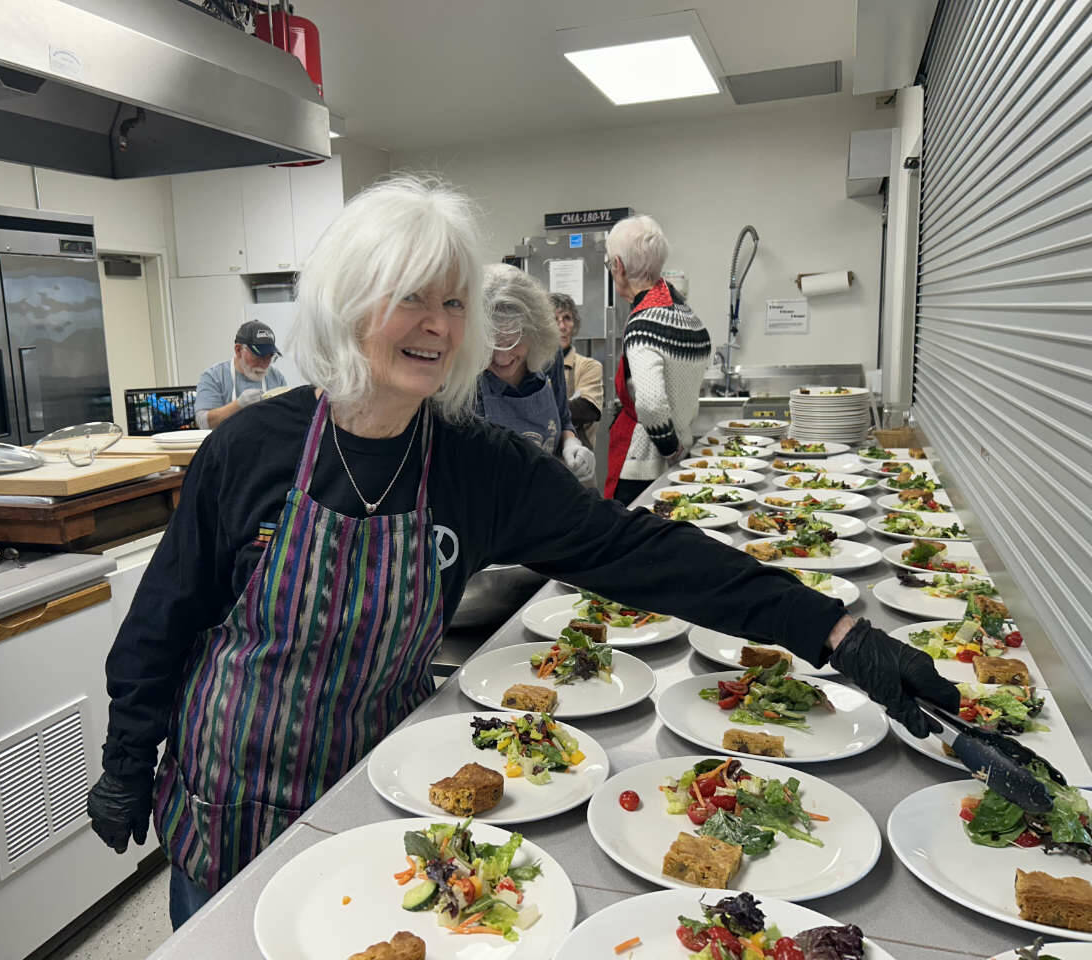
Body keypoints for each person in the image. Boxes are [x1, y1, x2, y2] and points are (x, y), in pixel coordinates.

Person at [85, 176, 958, 929]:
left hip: (374, 791)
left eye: (453, 302)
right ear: (351, 303)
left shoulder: (476, 465)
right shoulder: (250, 450)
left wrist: (836, 634)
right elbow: (166, 618)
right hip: (224, 794)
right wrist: (128, 758)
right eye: (411, 298)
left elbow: (645, 552)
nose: (437, 325)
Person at [602, 215, 711, 504]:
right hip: (680, 452)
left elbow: (650, 403)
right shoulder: (688, 315)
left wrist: (670, 449)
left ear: (618, 266)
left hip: (644, 466)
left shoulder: (643, 324)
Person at [474, 264, 595, 483]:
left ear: (535, 334)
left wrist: (571, 444)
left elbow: (563, 419)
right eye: (490, 347)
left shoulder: (549, 356)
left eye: (513, 344)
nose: (502, 358)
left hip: (547, 493)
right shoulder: (467, 377)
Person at [193, 320, 288, 429]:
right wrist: (238, 405)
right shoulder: (215, 376)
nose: (264, 364)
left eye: (270, 356)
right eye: (259, 356)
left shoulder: (276, 377)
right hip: (227, 445)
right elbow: (203, 423)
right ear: (238, 350)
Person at [551, 292, 604, 449]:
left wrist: (541, 407)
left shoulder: (589, 366)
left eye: (567, 318)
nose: (562, 327)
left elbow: (586, 410)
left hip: (577, 460)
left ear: (574, 324)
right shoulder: (535, 367)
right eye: (555, 319)